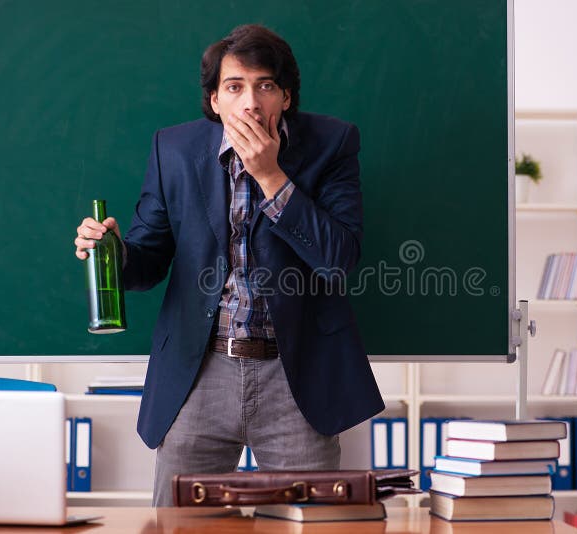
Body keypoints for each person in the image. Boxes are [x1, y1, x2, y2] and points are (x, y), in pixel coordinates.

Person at [74, 24, 384, 506]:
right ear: (215, 100)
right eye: (235, 87)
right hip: (199, 372)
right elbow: (148, 261)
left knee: (312, 522)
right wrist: (115, 252)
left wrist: (271, 176)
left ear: (286, 96)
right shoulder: (174, 149)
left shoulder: (333, 143)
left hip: (296, 373)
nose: (251, 103)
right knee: (178, 525)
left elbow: (338, 260)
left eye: (266, 86)